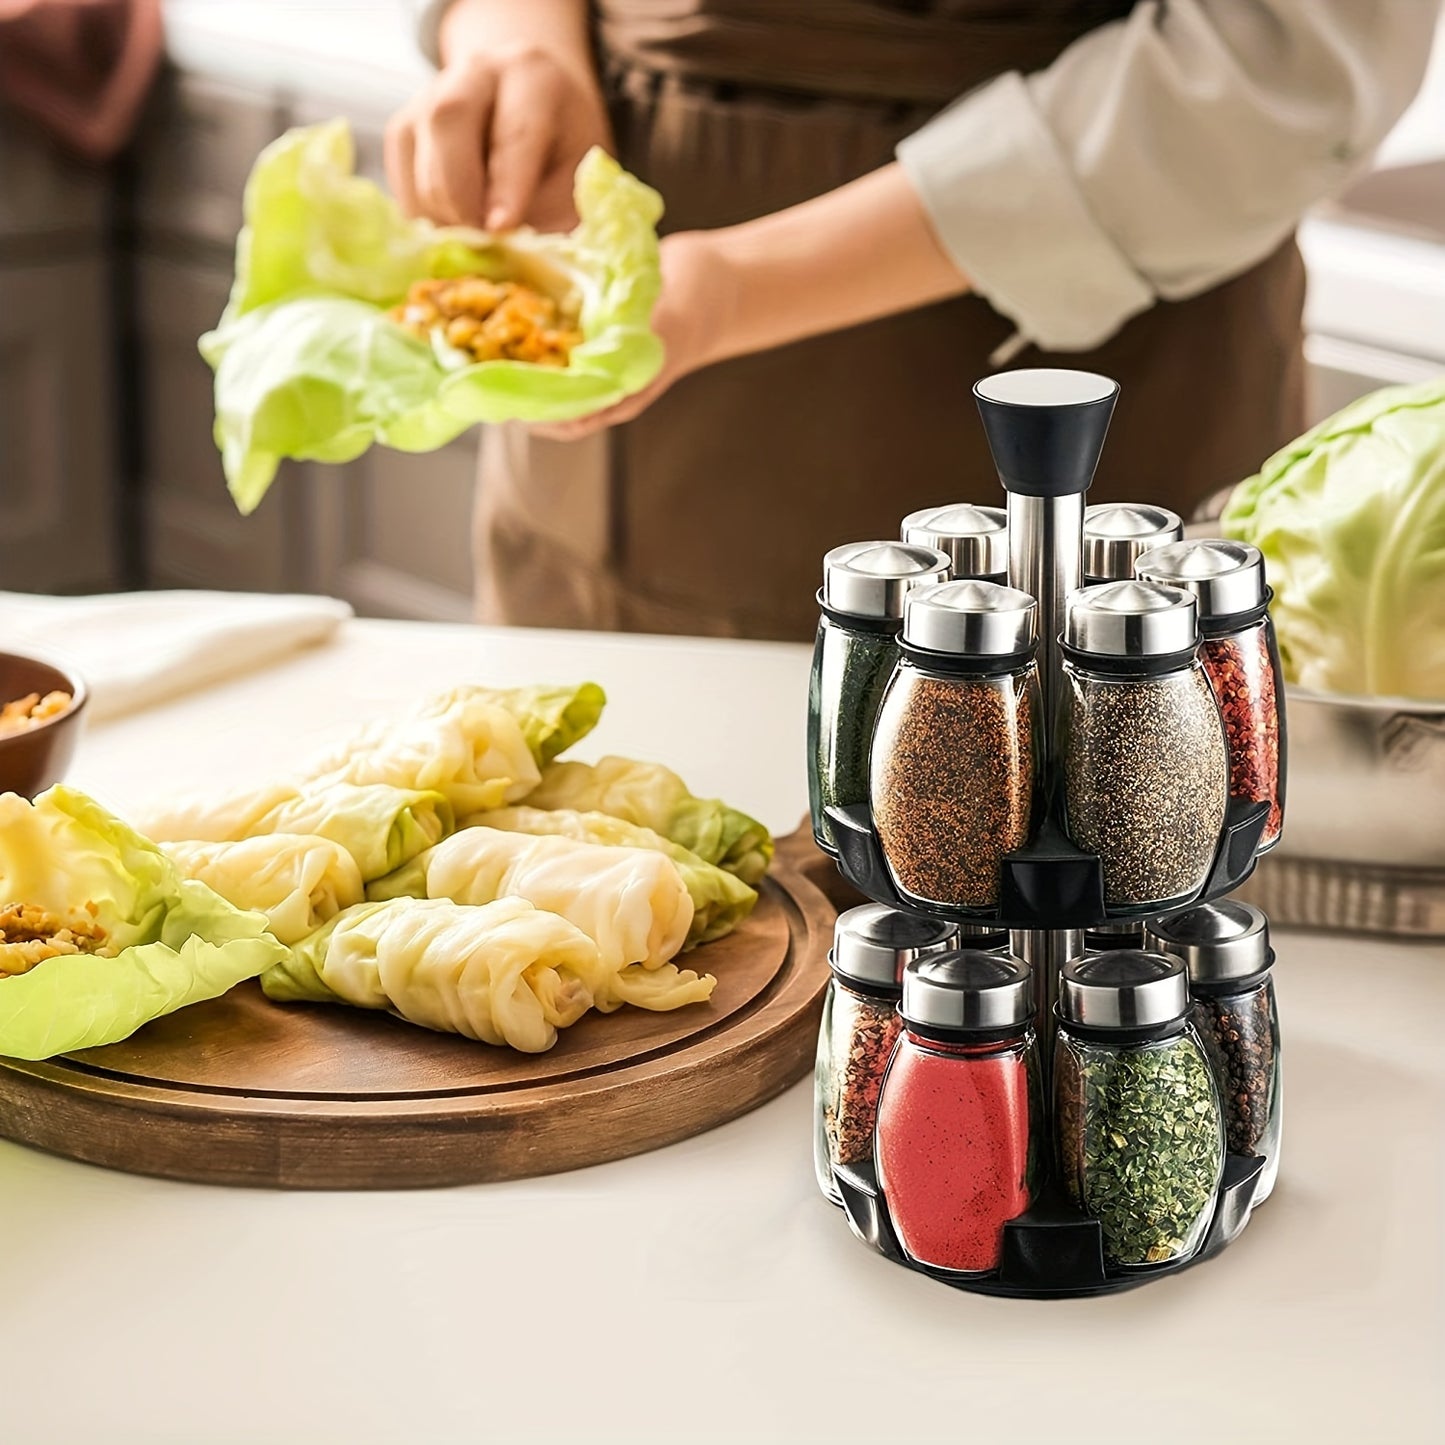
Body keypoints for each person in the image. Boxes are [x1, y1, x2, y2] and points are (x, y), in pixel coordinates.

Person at [390, 0, 1435, 642]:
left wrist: (741, 286)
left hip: (1073, 419)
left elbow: (1270, 71)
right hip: (598, 478)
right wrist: (516, 41)